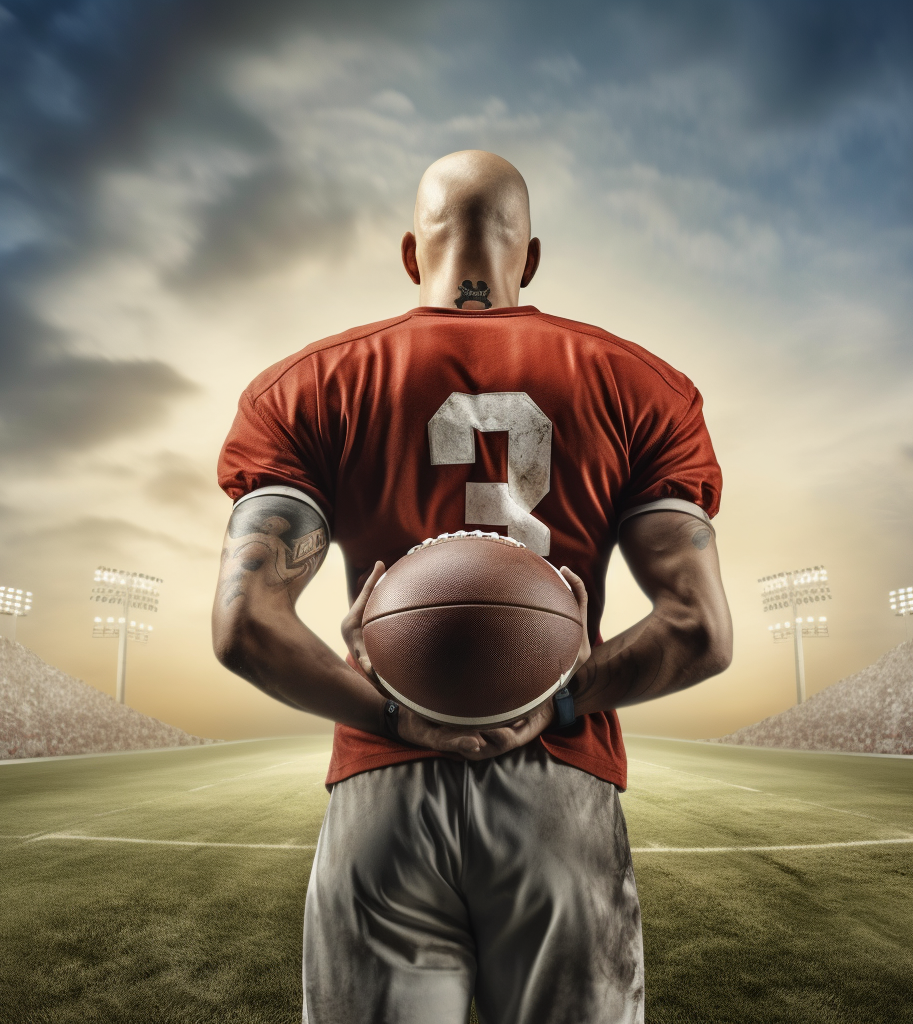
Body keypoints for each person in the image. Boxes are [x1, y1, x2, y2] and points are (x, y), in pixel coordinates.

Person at [212, 150, 732, 1024]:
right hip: (558, 780)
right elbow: (699, 630)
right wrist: (558, 703)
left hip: (383, 786)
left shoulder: (307, 386)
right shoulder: (643, 386)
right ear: (529, 259)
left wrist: (390, 713)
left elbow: (242, 626)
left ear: (412, 253)